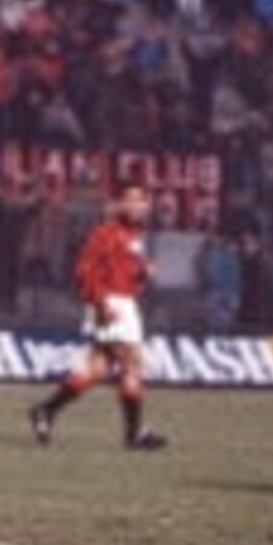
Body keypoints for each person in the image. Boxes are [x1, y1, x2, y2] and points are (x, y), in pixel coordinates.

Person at [28, 179, 166, 450]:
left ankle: (46, 410)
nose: (137, 205)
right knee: (132, 364)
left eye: (141, 200)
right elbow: (85, 270)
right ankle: (134, 433)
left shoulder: (132, 237)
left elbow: (125, 272)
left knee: (98, 368)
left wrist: (142, 272)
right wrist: (101, 303)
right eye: (131, 200)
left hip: (122, 302)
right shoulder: (106, 233)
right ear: (119, 204)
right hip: (113, 303)